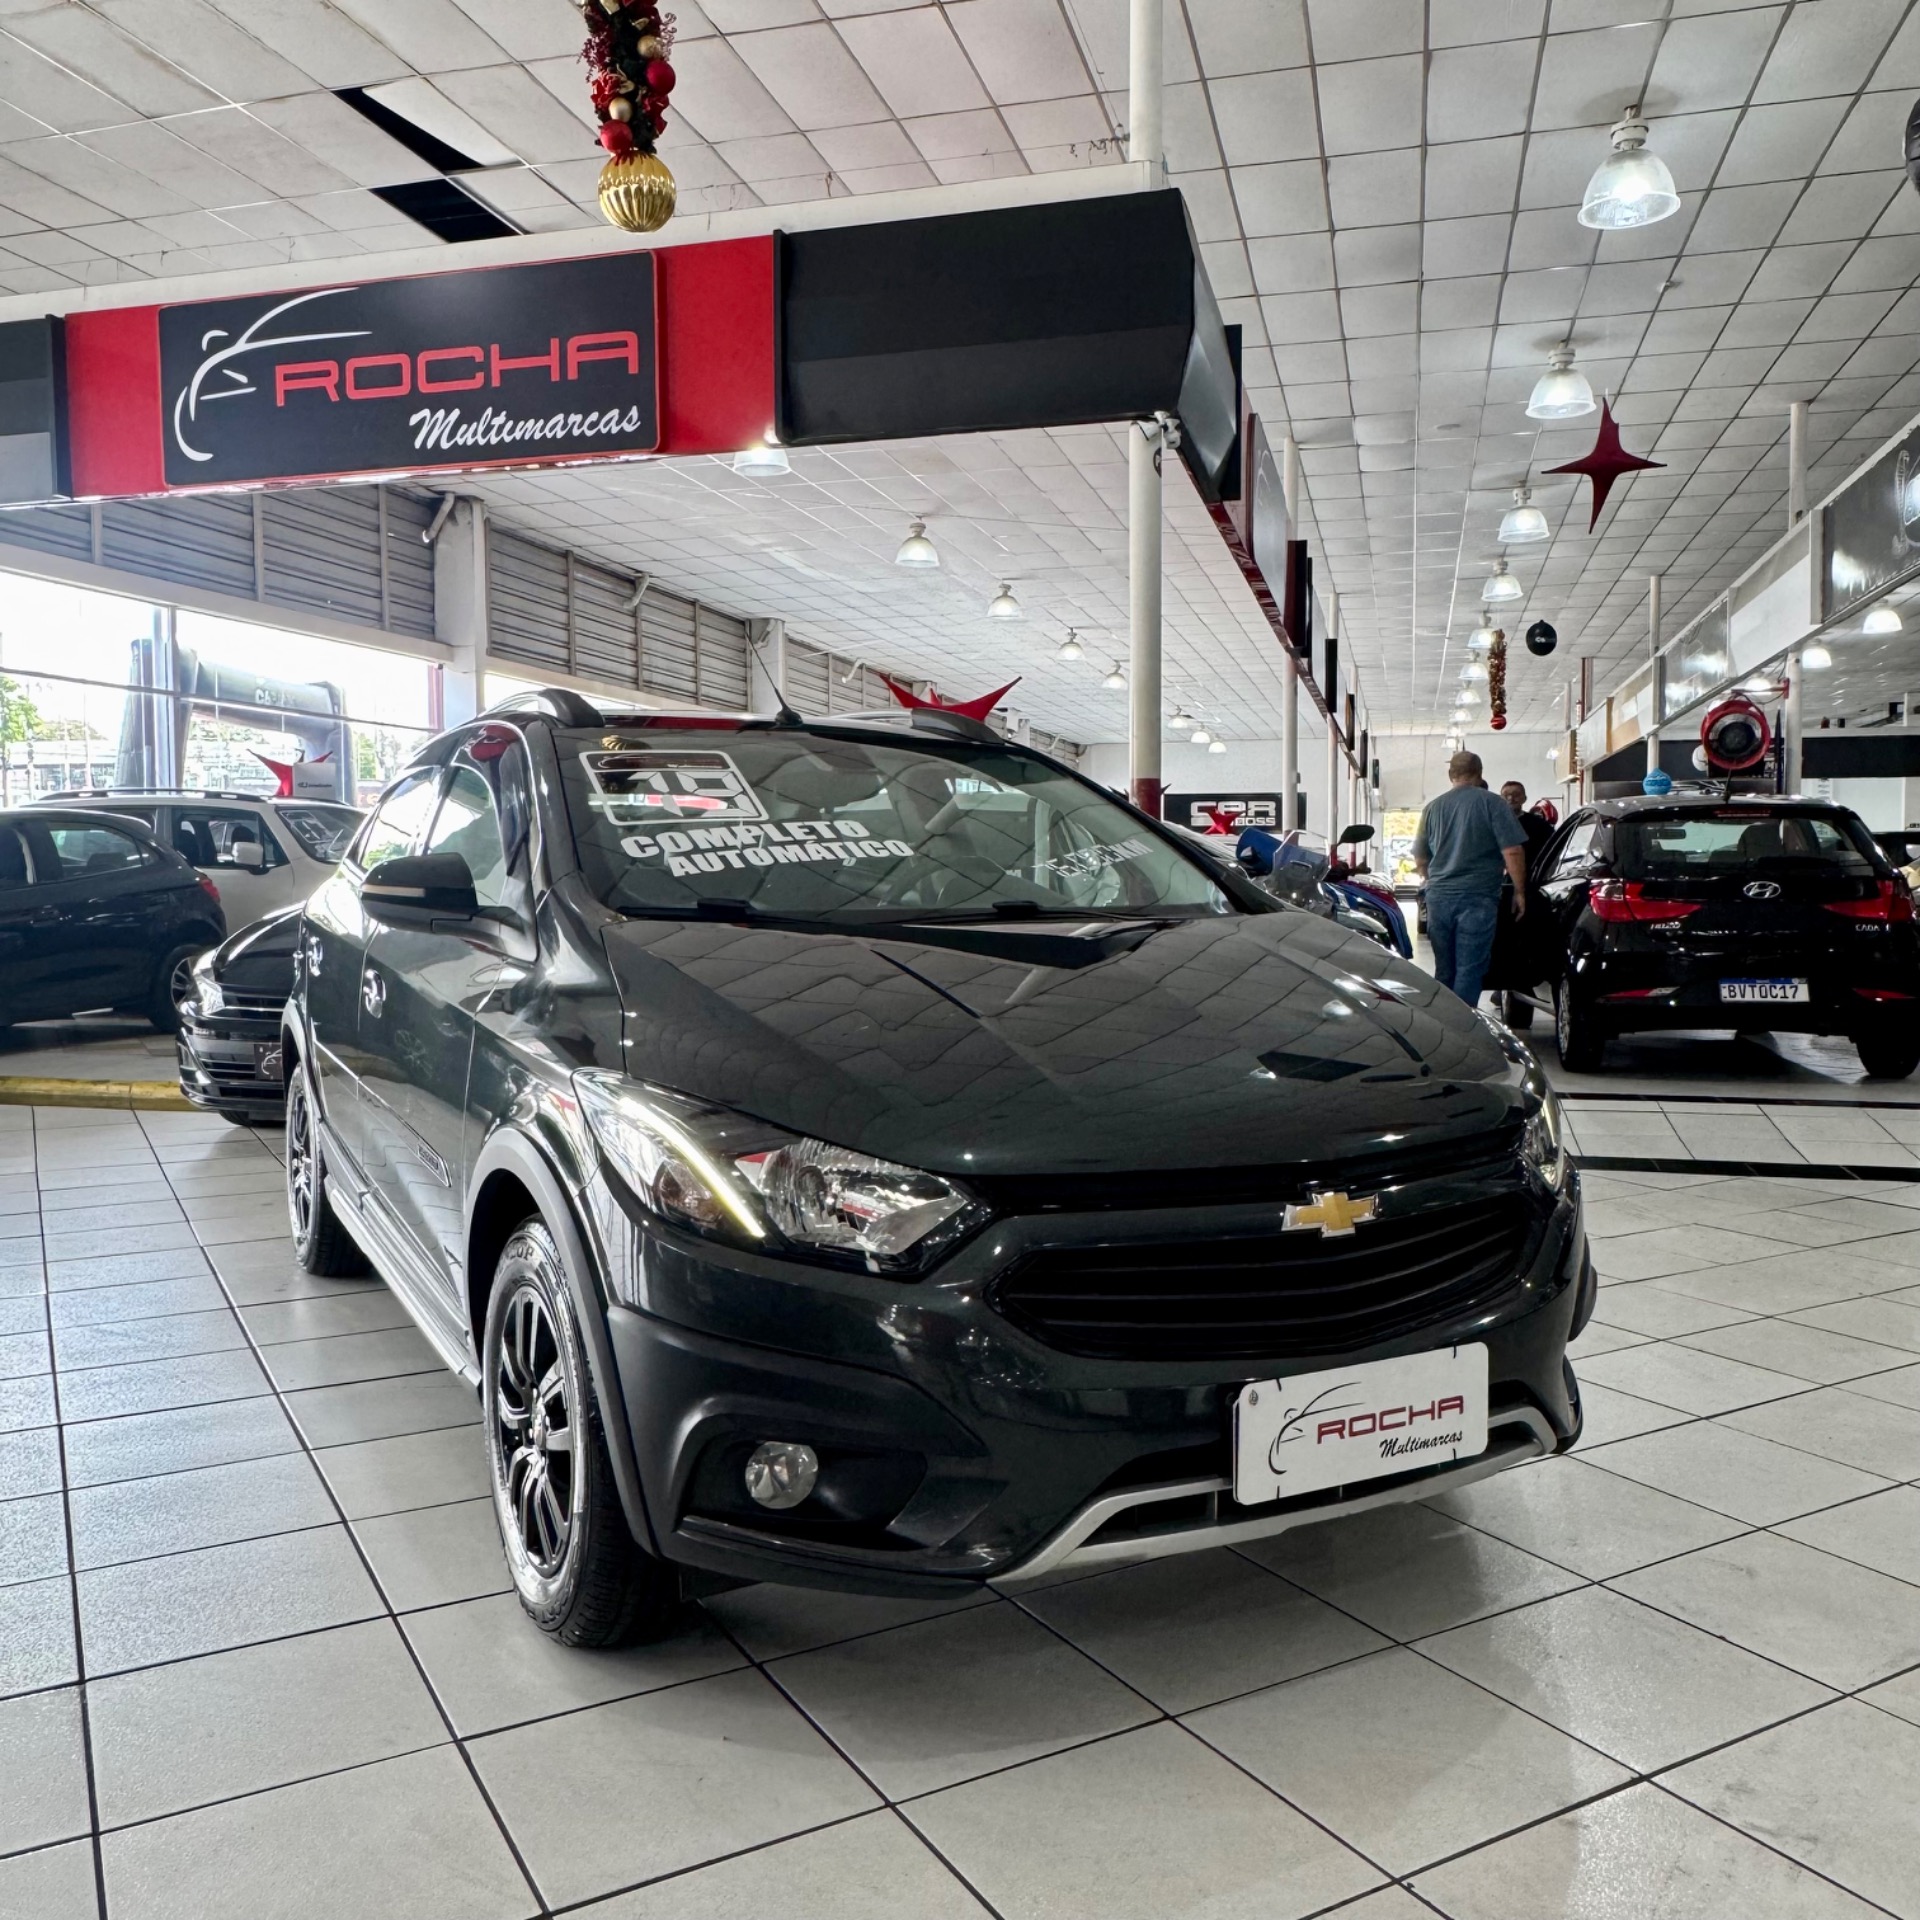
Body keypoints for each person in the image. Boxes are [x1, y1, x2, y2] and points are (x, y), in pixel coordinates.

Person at [1415, 750, 1528, 1007]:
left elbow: (1420, 858)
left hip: (1439, 897)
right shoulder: (1493, 803)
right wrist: (1520, 891)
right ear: (1479, 773)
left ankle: (1445, 1021)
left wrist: (1434, 879)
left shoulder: (1432, 808)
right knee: (1470, 967)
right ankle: (1464, 1025)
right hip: (1478, 896)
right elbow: (1512, 850)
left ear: (1450, 774)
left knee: (1444, 968)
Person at [1501, 779, 1552, 872]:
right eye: (1506, 795)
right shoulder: (1492, 824)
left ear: (1524, 799)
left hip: (1533, 874)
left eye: (1516, 795)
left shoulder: (1540, 825)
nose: (1510, 798)